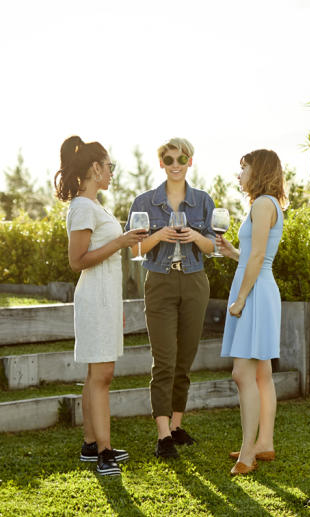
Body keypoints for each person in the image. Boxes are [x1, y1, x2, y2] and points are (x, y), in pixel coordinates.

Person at [56, 136, 146, 475]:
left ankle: (91, 444)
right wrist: (121, 241)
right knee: (102, 375)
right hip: (94, 298)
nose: (112, 172)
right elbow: (77, 261)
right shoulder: (82, 207)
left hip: (106, 299)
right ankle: (104, 452)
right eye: (110, 166)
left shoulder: (94, 206)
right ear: (95, 168)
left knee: (98, 373)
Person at [126, 138, 215, 458]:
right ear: (160, 163)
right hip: (160, 282)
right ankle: (163, 435)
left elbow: (214, 248)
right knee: (164, 360)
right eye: (168, 159)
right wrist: (159, 236)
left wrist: (195, 237)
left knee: (185, 358)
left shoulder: (203, 201)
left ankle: (177, 426)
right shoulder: (145, 202)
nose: (175, 164)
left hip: (194, 281)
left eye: (181, 158)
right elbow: (134, 249)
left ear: (190, 161)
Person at [216, 150, 286, 476]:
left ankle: (248, 453)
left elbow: (258, 257)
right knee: (261, 374)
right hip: (261, 288)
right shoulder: (269, 204)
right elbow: (253, 256)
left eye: (242, 168)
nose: (238, 174)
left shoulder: (261, 204)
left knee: (243, 373)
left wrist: (241, 298)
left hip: (255, 293)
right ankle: (264, 443)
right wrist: (233, 253)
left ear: (257, 171)